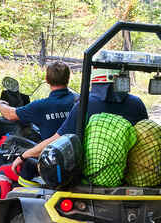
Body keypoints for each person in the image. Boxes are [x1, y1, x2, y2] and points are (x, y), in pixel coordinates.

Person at [11, 67, 148, 177]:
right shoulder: (137, 104)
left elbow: (57, 140)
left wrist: (24, 155)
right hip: (130, 174)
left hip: (90, 175)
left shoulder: (85, 104)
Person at [0, 61, 76, 139]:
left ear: (46, 79)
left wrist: (0, 104)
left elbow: (10, 115)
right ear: (68, 79)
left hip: (48, 151)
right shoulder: (79, 102)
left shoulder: (41, 106)